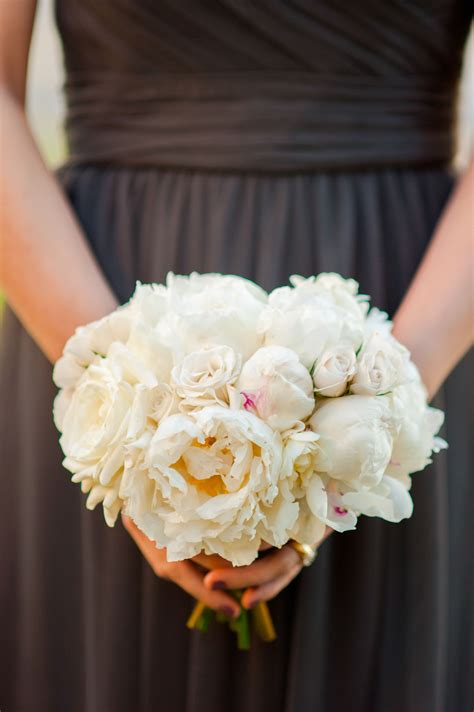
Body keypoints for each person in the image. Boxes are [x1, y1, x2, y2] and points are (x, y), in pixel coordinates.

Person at [0, 2, 472, 711]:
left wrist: (379, 410)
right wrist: (118, 392)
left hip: (412, 311)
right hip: (89, 293)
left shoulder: (392, 376)